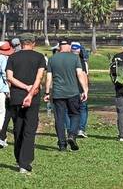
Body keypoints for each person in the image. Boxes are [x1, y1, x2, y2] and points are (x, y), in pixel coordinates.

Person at [5, 33, 46, 174]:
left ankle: (19, 159)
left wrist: (23, 87)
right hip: (32, 97)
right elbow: (39, 77)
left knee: (18, 128)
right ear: (33, 43)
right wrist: (30, 90)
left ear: (21, 43)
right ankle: (25, 162)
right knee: (29, 130)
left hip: (16, 97)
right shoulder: (39, 57)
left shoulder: (12, 57)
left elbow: (9, 77)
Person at [44, 39, 88, 152]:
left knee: (59, 118)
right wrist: (84, 90)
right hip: (73, 92)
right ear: (68, 46)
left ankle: (62, 144)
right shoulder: (75, 58)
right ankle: (72, 135)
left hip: (58, 93)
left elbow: (48, 77)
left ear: (59, 47)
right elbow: (80, 74)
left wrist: (47, 92)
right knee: (75, 114)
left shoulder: (52, 59)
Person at [0, 41, 14, 147]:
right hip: (1, 88)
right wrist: (9, 86)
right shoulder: (3, 59)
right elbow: (5, 74)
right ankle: (1, 136)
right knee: (2, 113)